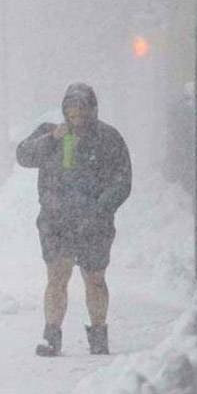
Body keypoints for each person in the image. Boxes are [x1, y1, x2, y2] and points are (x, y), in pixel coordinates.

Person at [16, 82, 131, 356]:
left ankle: (99, 334)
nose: (75, 112)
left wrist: (100, 208)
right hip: (56, 221)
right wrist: (53, 138)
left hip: (94, 223)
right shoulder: (51, 133)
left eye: (81, 106)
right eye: (70, 106)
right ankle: (51, 336)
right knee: (57, 276)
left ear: (92, 109)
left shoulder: (108, 138)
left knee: (95, 278)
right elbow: (23, 155)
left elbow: (123, 181)